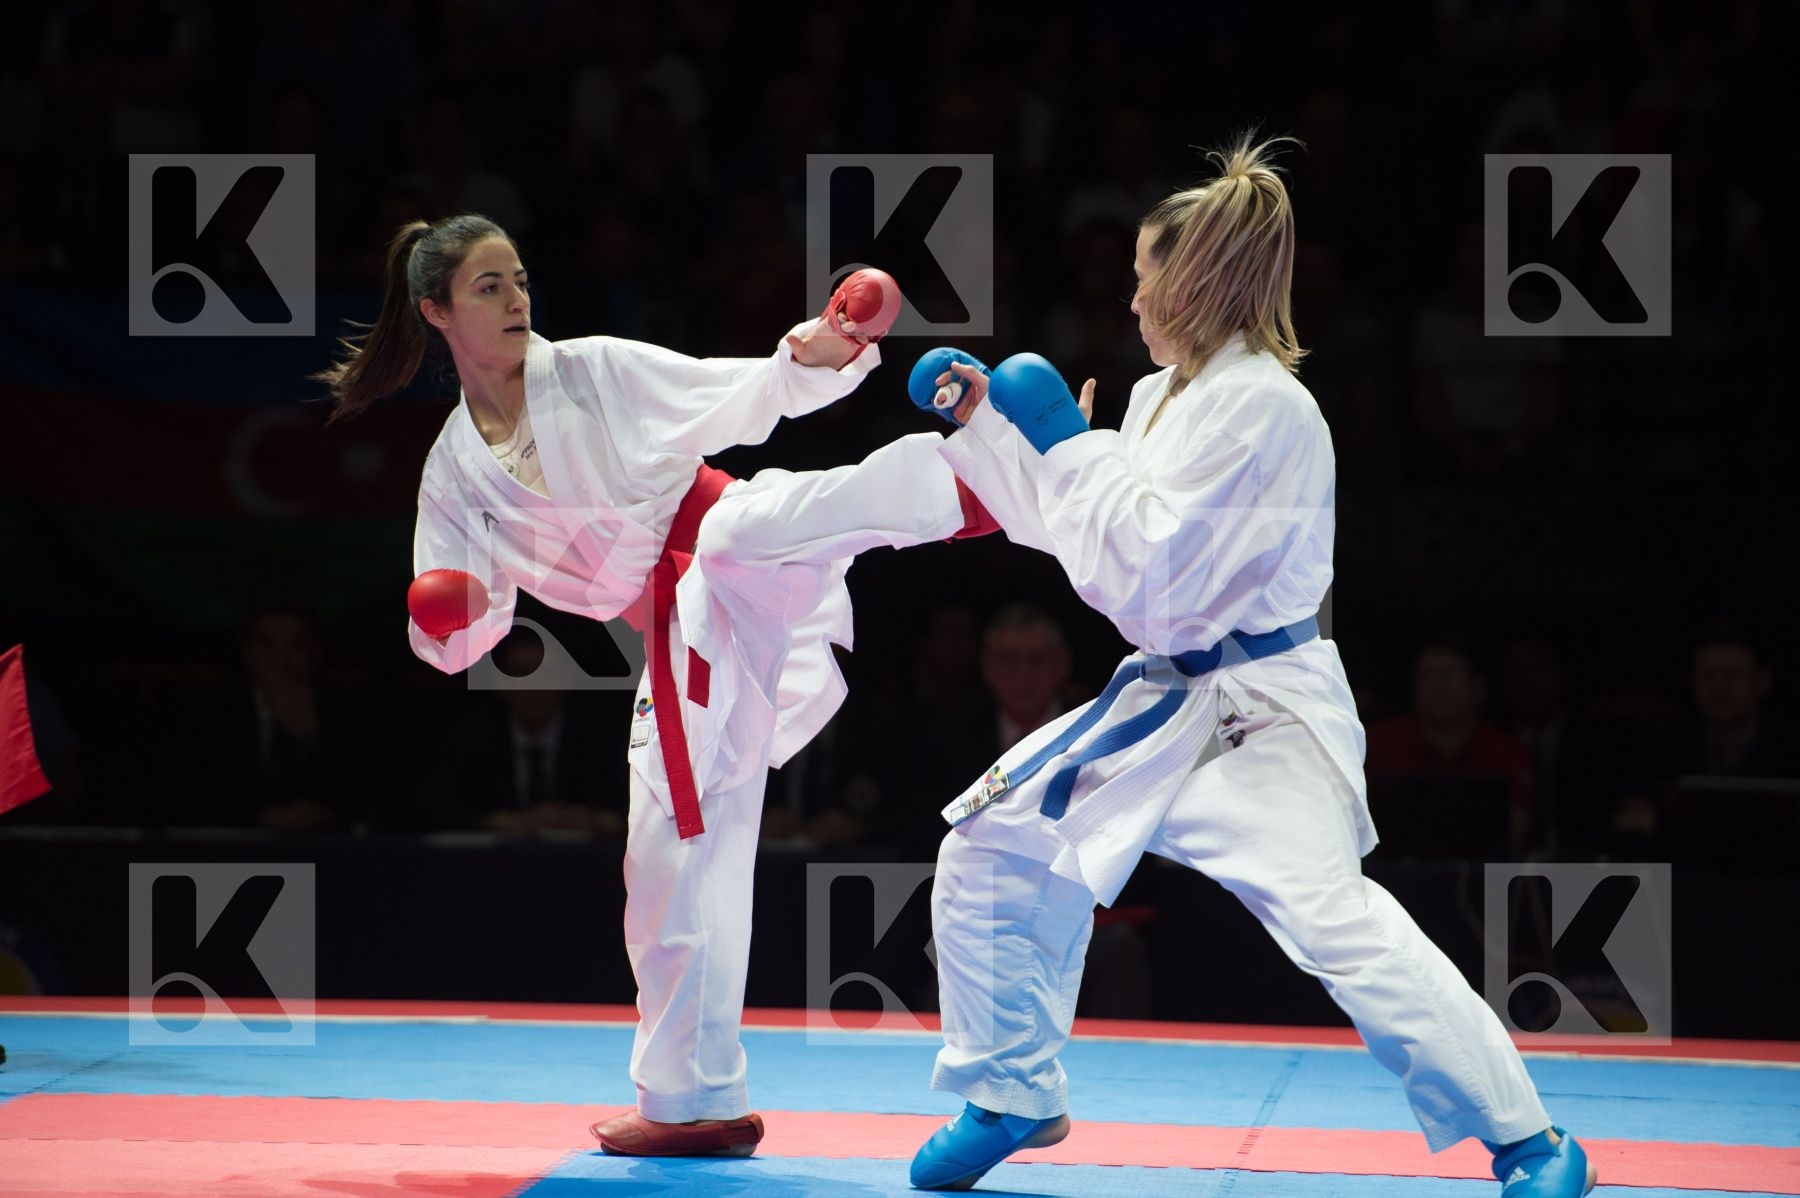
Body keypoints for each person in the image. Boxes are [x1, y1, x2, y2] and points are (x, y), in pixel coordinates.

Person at [901, 137, 1597, 1196]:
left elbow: (1150, 575)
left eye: (1143, 274)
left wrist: (1061, 439)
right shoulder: (1151, 401)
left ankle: (1529, 1139)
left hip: (1261, 710)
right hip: (1167, 697)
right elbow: (1079, 530)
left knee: (1334, 919)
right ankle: (1012, 1090)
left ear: (1191, 280)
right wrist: (994, 431)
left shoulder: (1269, 407)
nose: (1130, 296)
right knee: (991, 847)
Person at [314, 214, 992, 1158]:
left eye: (518, 279)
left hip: (716, 563)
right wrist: (448, 613)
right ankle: (694, 1101)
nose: (516, 300)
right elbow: (468, 637)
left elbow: (738, 392)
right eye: (487, 288)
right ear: (435, 311)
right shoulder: (454, 475)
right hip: (677, 638)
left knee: (748, 527)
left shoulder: (592, 370)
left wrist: (829, 340)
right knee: (674, 858)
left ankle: (985, 478)